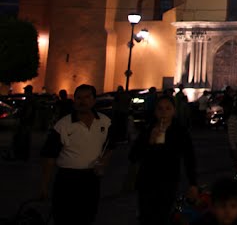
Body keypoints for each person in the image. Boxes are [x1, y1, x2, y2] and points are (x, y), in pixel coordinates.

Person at [40, 84, 124, 225]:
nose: (82, 101)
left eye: (87, 97)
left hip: (91, 179)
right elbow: (49, 156)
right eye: (78, 98)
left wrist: (104, 161)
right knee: (65, 217)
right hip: (67, 180)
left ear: (94, 100)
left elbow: (111, 145)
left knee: (87, 216)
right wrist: (44, 185)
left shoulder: (105, 122)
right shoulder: (64, 125)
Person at [130, 95, 199, 224]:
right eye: (160, 109)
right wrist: (149, 141)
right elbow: (133, 156)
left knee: (164, 217)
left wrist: (193, 183)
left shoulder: (180, 131)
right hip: (147, 181)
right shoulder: (148, 129)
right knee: (146, 218)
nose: (164, 112)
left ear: (174, 111)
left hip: (169, 182)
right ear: (155, 111)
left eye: (168, 108)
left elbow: (189, 158)